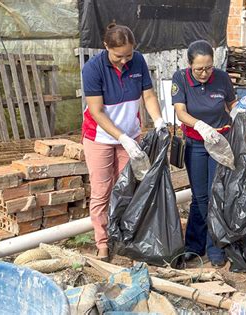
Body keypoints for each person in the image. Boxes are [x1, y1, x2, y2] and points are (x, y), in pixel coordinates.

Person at [82, 23, 166, 260]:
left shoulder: (137, 61)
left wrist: (158, 120)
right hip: (99, 137)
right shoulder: (93, 69)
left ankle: (126, 237)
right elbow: (97, 111)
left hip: (130, 135)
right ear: (106, 46)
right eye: (119, 56)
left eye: (129, 54)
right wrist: (121, 138)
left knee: (129, 187)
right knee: (101, 190)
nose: (125, 60)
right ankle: (103, 243)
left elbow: (148, 95)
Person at [171, 40, 237, 267]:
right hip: (196, 143)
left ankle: (214, 246)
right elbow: (181, 112)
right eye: (199, 68)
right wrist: (199, 126)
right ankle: (193, 246)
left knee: (215, 194)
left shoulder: (221, 77)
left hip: (220, 142)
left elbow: (231, 103)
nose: (204, 73)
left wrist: (239, 112)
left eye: (208, 67)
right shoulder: (181, 79)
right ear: (189, 65)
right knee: (200, 197)